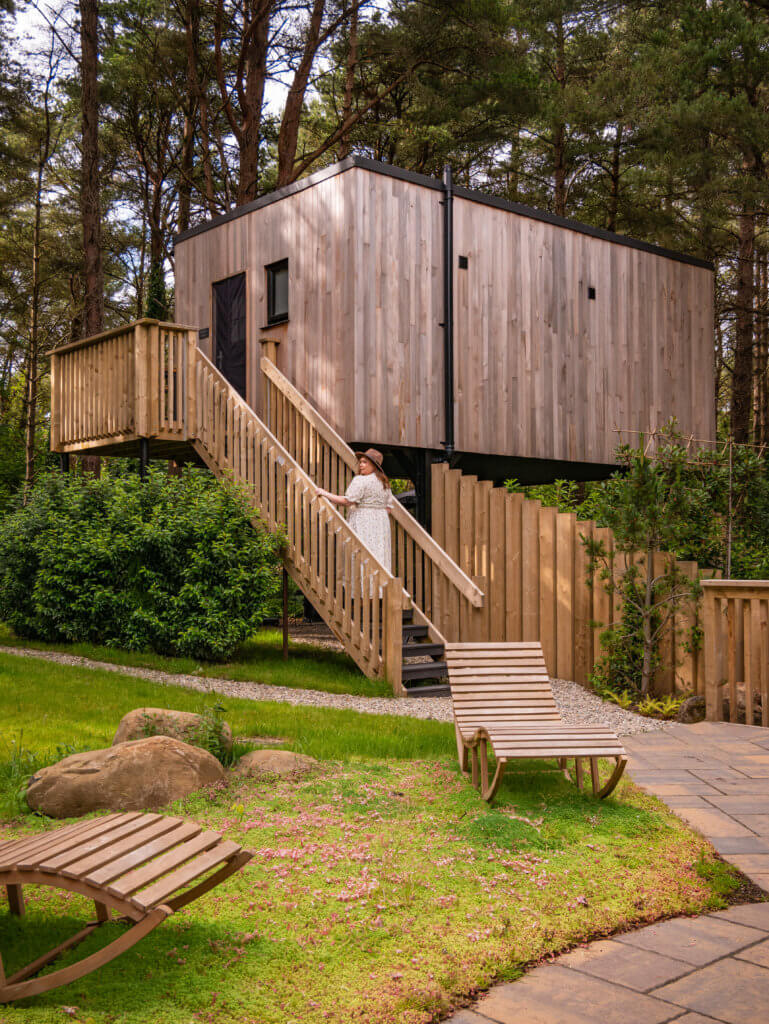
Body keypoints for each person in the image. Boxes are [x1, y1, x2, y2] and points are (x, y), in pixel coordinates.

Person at [316, 448, 392, 572]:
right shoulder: (384, 483)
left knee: (361, 555)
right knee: (378, 555)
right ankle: (378, 590)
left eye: (365, 462)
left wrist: (324, 493)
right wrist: (377, 516)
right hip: (381, 524)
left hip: (363, 521)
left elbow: (347, 501)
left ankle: (363, 589)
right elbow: (388, 508)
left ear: (374, 465)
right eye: (360, 462)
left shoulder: (361, 480)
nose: (361, 465)